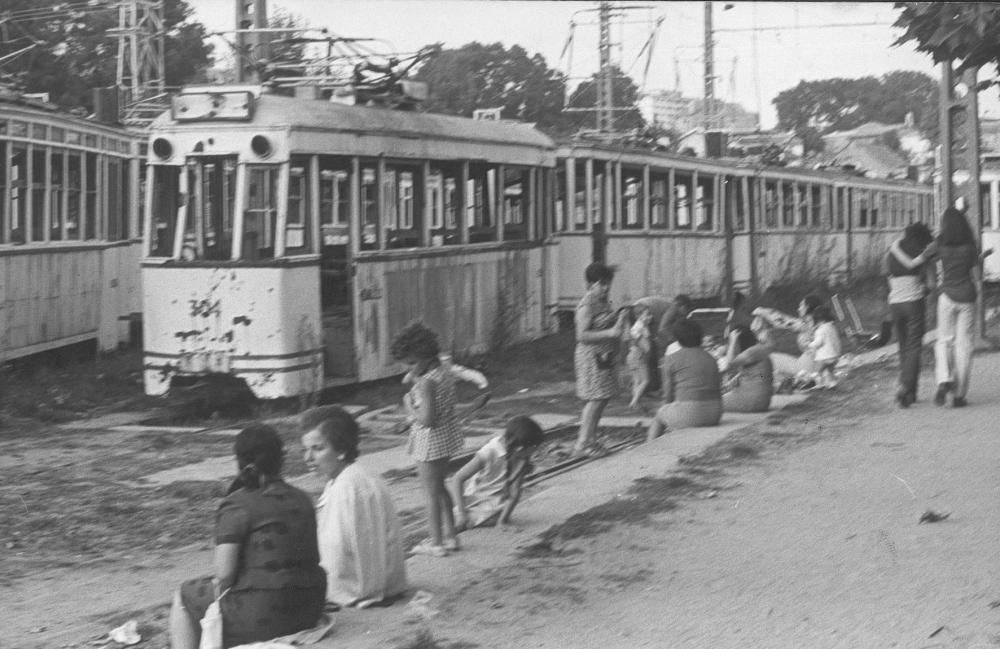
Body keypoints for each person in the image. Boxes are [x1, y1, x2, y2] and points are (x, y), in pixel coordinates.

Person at [169, 424, 326, 649]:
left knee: (184, 595)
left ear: (240, 461)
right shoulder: (303, 498)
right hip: (310, 606)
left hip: (264, 614)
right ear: (280, 460)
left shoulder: (237, 504)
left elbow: (224, 575)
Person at [300, 405, 407, 608]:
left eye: (317, 449)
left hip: (362, 586)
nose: (307, 458)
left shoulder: (349, 487)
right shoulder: (348, 477)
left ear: (341, 450)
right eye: (305, 449)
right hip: (381, 582)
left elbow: (338, 551)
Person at [390, 321, 463, 558]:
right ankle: (451, 536)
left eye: (412, 363)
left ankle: (436, 542)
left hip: (429, 442)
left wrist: (409, 406)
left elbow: (428, 419)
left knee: (429, 493)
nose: (409, 369)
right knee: (440, 487)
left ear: (425, 356)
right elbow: (411, 379)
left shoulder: (427, 383)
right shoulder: (442, 370)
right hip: (446, 438)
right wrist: (412, 374)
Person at [449, 415, 545, 531]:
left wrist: (502, 521)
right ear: (520, 448)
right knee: (455, 523)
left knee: (485, 518)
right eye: (534, 448)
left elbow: (515, 492)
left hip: (494, 507)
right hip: (473, 502)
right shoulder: (489, 452)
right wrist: (462, 513)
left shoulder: (521, 458)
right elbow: (457, 479)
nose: (536, 452)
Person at [926, 206, 980, 407]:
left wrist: (933, 282)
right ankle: (958, 396)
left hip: (946, 296)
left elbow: (925, 258)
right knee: (964, 346)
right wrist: (978, 295)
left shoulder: (940, 244)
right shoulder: (970, 246)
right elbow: (977, 278)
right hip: (967, 298)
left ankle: (944, 379)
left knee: (943, 341)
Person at [573, 263, 628, 458]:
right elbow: (582, 335)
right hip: (591, 357)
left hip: (604, 356)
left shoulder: (603, 302)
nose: (605, 288)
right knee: (595, 398)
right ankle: (582, 443)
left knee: (603, 397)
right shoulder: (587, 304)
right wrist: (611, 331)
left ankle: (591, 440)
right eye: (601, 284)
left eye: (607, 284)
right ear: (590, 284)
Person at [647, 319, 723, 442]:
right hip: (715, 413)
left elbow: (667, 396)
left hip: (691, 413)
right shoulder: (711, 358)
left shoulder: (671, 359)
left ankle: (647, 451)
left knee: (660, 414)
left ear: (678, 339)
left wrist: (667, 410)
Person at [886, 221, 936, 407]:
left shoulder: (893, 251)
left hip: (895, 305)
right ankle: (905, 386)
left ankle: (910, 393)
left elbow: (888, 278)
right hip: (914, 304)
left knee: (903, 347)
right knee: (914, 347)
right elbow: (931, 285)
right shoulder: (924, 254)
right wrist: (922, 290)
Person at [752, 294, 822, 389]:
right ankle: (786, 382)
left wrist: (762, 311)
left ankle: (761, 383)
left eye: (801, 306)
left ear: (807, 308)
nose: (799, 309)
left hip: (807, 367)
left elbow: (781, 320)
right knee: (778, 372)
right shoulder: (818, 323)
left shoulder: (806, 325)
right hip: (814, 365)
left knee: (768, 358)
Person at [722, 325, 773, 413]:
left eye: (728, 340)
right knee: (719, 397)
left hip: (751, 400)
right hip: (759, 400)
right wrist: (735, 379)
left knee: (713, 402)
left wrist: (733, 341)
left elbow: (730, 363)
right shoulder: (757, 349)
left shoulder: (753, 351)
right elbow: (755, 373)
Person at [627, 304, 654, 409]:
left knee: (637, 381)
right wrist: (647, 348)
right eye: (647, 314)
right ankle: (634, 402)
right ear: (639, 316)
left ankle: (636, 403)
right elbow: (646, 346)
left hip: (631, 355)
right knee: (645, 380)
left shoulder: (636, 326)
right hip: (639, 356)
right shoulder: (642, 327)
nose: (650, 317)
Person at [808, 306, 842, 388]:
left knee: (817, 371)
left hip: (824, 357)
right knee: (830, 371)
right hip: (834, 356)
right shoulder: (832, 327)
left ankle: (819, 384)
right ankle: (832, 383)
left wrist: (810, 344)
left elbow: (819, 342)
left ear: (819, 320)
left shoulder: (820, 330)